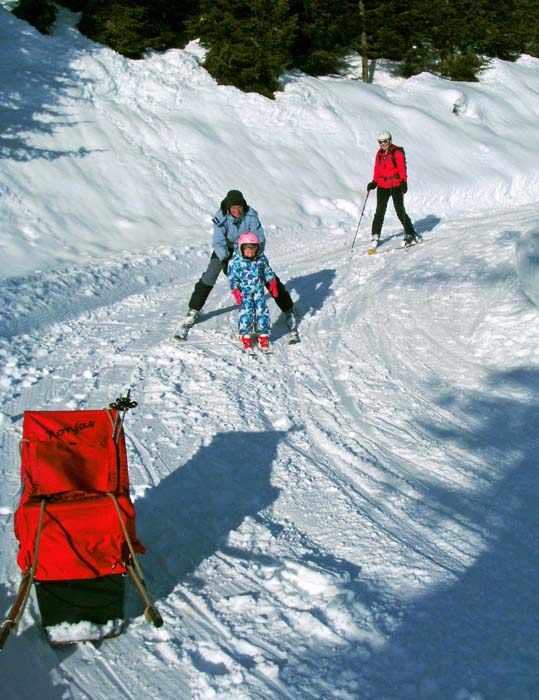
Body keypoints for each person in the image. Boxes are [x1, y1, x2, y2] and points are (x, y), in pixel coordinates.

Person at [177, 189, 296, 335]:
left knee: (265, 273)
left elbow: (260, 237)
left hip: (249, 247)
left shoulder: (251, 215)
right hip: (226, 250)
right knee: (210, 274)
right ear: (228, 208)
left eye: (239, 208)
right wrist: (226, 260)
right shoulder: (220, 217)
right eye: (233, 208)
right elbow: (218, 242)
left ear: (243, 206)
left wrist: (253, 255)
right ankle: (194, 309)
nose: (237, 211)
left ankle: (288, 309)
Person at [228, 232, 278, 351]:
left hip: (258, 290)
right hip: (244, 292)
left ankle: (263, 333)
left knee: (262, 311)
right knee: (247, 312)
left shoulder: (260, 259)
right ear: (241, 248)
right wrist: (235, 290)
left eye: (253, 251)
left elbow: (266, 270)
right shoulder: (235, 261)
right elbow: (232, 277)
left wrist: (272, 282)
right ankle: (245, 334)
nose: (250, 254)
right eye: (247, 251)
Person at [367, 131, 418, 247]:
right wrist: (374, 182)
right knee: (379, 211)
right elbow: (377, 169)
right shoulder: (379, 154)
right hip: (382, 186)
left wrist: (404, 182)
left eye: (385, 141)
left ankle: (410, 232)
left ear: (389, 140)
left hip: (396, 185)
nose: (383, 144)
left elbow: (402, 169)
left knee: (399, 210)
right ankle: (375, 234)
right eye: (380, 142)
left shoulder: (397, 153)